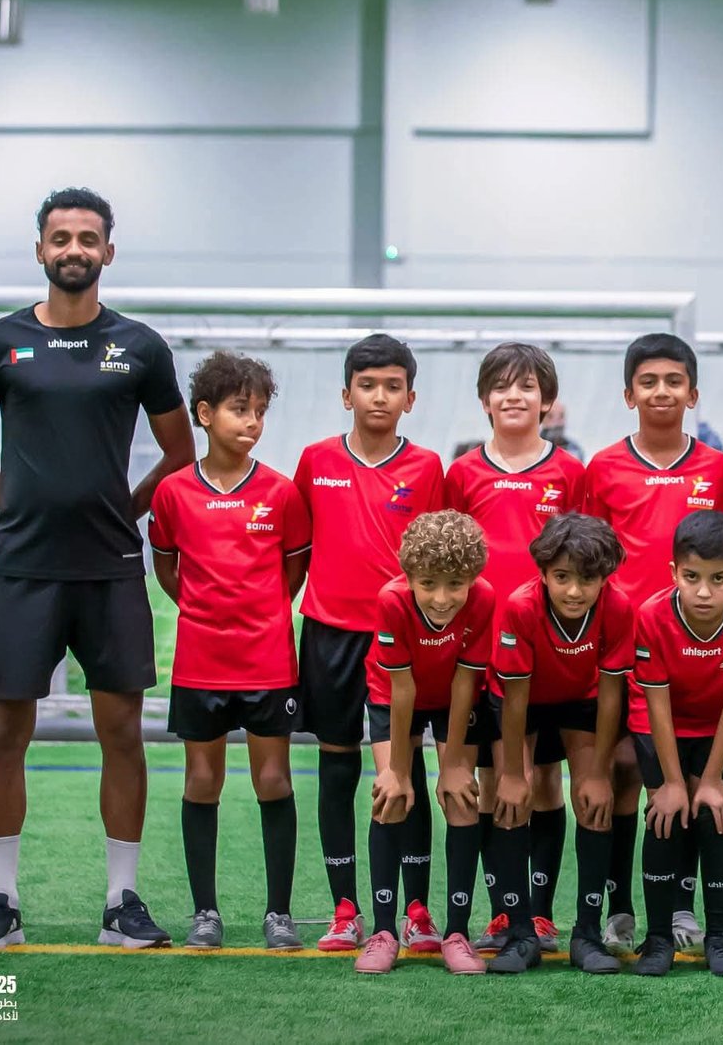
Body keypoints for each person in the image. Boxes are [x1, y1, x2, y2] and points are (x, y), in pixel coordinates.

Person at [0, 187, 194, 950]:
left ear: (108, 252)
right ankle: (2, 902)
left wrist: (127, 510)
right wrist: (14, 502)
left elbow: (180, 451)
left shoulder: (140, 347)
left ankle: (122, 903)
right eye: (61, 238)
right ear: (41, 250)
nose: (74, 250)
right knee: (4, 730)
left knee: (121, 732)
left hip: (110, 568)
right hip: (23, 567)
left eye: (88, 238)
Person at [148, 351, 309, 951]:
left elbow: (293, 571)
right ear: (205, 413)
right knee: (201, 780)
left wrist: (258, 613)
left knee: (273, 779)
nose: (252, 422)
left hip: (268, 659)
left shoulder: (282, 492)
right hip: (200, 661)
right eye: (240, 409)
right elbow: (167, 568)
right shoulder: (172, 493)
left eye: (260, 411)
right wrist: (204, 610)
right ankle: (205, 913)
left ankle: (279, 914)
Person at [293, 334, 445, 953]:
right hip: (329, 633)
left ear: (410, 398)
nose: (379, 396)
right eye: (367, 385)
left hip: (402, 638)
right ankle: (345, 908)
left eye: (392, 386)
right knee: (336, 766)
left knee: (404, 766)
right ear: (346, 394)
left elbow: (436, 563)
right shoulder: (315, 460)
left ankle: (417, 909)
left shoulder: (427, 467)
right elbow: (297, 548)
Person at [583, 333, 723, 952]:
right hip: (622, 649)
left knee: (691, 778)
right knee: (622, 770)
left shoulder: (719, 468)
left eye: (674, 380)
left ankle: (682, 910)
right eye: (648, 381)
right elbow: (588, 560)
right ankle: (620, 907)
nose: (661, 391)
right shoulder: (603, 468)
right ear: (629, 394)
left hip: (696, 651)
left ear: (693, 393)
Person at [444, 342, 585, 954]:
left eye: (527, 386)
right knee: (493, 780)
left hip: (547, 656)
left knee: (544, 781)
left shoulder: (569, 473)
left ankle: (542, 913)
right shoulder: (462, 473)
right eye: (502, 386)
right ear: (484, 399)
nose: (514, 396)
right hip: (478, 653)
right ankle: (505, 911)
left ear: (546, 400)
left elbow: (581, 562)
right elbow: (448, 564)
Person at [490, 513, 634, 975]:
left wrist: (598, 773)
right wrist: (514, 774)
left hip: (581, 701)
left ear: (605, 576)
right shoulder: (520, 607)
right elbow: (515, 699)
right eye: (562, 577)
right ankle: (520, 934)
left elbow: (610, 694)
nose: (574, 591)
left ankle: (586, 935)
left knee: (594, 801)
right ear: (543, 573)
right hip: (523, 701)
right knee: (513, 801)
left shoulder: (618, 607)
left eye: (587, 579)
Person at [627, 511, 723, 977]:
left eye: (718, 579)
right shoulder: (651, 616)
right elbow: (656, 703)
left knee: (714, 812)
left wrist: (710, 780)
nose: (704, 591)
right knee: (665, 815)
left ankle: (720, 936)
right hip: (659, 722)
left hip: (716, 725)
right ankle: (658, 937)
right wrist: (671, 782)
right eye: (692, 577)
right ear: (674, 573)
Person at [361, 511, 496, 975]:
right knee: (392, 798)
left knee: (461, 798)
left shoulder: (484, 598)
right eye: (428, 584)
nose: (442, 599)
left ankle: (456, 933)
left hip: (453, 695)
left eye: (456, 584)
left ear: (472, 578)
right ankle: (383, 931)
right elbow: (401, 690)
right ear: (409, 577)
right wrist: (398, 770)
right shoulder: (391, 600)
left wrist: (454, 764)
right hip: (395, 695)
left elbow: (466, 681)